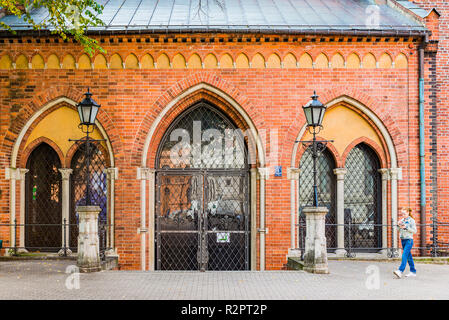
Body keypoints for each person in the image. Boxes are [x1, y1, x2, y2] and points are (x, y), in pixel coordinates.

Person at [393, 207, 417, 278]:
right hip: (403, 240)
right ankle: (413, 271)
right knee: (409, 256)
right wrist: (398, 225)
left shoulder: (411, 220)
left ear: (408, 212)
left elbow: (414, 231)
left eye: (404, 213)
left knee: (404, 255)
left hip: (409, 240)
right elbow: (399, 230)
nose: (403, 215)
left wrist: (406, 227)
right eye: (402, 213)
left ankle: (400, 271)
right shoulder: (402, 220)